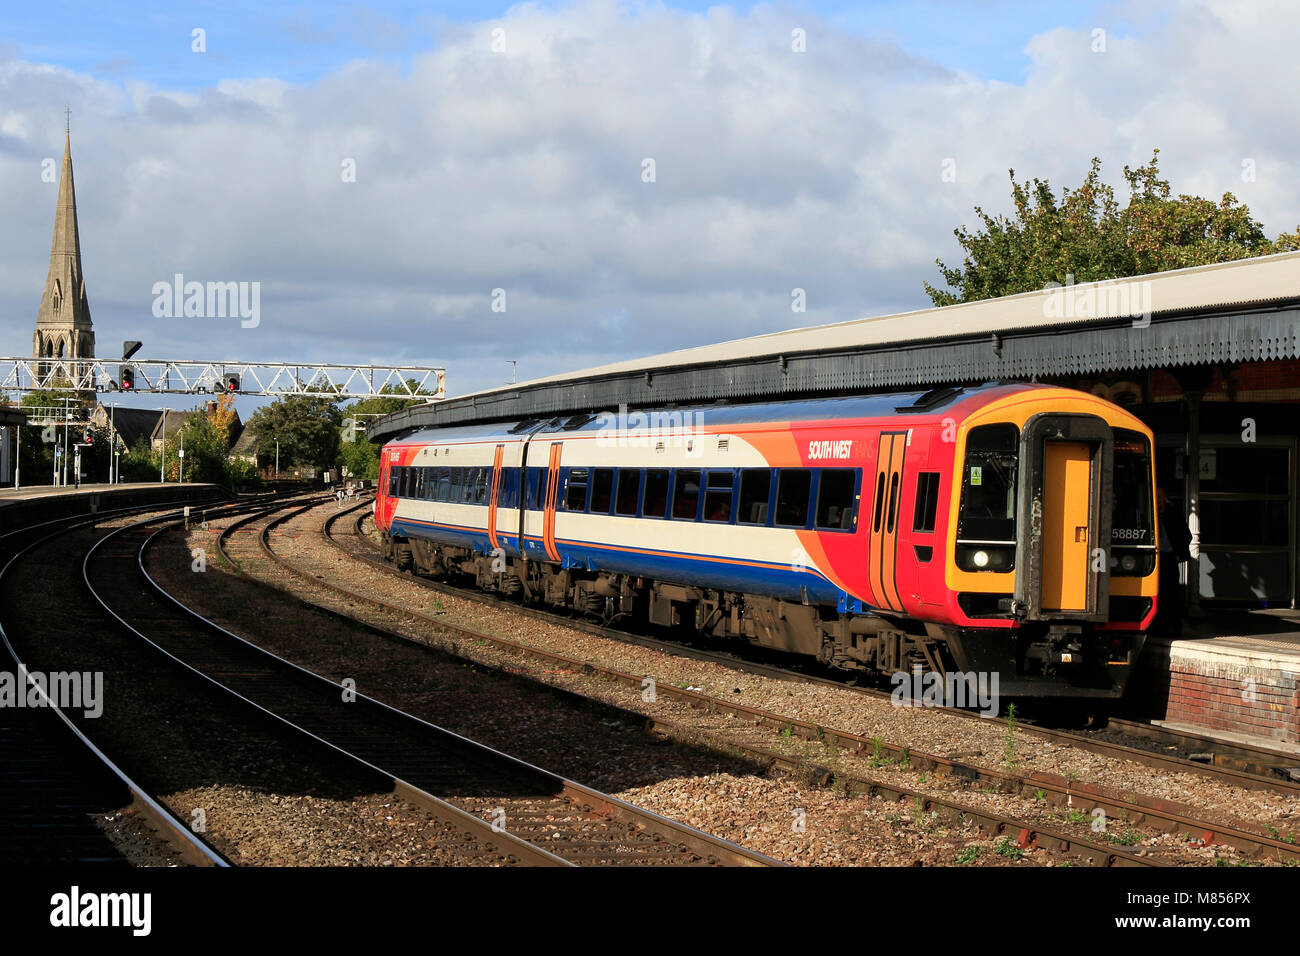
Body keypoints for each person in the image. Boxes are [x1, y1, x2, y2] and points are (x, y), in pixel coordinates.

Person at [1155, 486, 1191, 637]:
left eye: (1160, 497)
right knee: (1160, 594)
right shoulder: (1149, 514)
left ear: (1164, 498)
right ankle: (1160, 626)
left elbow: (1186, 535)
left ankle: (1174, 627)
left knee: (1171, 594)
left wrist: (1178, 555)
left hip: (1169, 558)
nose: (1157, 500)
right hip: (1155, 558)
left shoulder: (1172, 514)